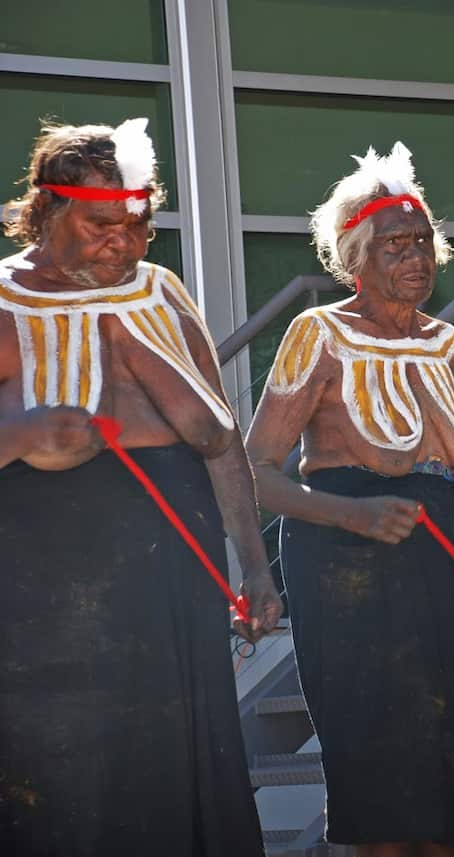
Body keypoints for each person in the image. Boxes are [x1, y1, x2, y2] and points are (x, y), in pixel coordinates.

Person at [0, 118, 281, 855]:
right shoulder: (3, 301)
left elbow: (222, 447)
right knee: (71, 791)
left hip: (174, 587)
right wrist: (21, 437)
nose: (120, 245)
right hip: (47, 607)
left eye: (135, 227)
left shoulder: (160, 291)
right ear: (46, 210)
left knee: (182, 783)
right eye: (99, 226)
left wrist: (254, 566)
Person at [245, 142, 454, 857]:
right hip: (345, 570)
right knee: (381, 791)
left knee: (448, 784)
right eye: (395, 244)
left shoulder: (452, 346)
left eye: (424, 242)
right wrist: (351, 512)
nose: (416, 256)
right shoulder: (318, 334)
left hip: (442, 567)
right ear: (353, 258)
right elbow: (254, 470)